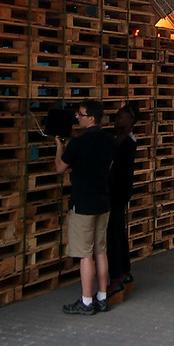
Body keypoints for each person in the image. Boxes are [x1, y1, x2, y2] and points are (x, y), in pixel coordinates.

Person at [55, 99, 116, 315]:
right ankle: (101, 296)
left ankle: (87, 301)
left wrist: (59, 146)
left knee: (84, 254)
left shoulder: (77, 143)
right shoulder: (110, 141)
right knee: (101, 251)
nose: (77, 118)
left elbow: (60, 167)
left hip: (82, 203)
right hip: (103, 201)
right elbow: (109, 166)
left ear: (91, 118)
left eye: (80, 114)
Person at [108, 102, 139, 300]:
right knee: (118, 232)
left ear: (131, 121)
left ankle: (117, 277)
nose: (117, 118)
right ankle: (124, 272)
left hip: (116, 191)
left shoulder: (125, 142)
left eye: (121, 116)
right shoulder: (122, 139)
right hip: (119, 191)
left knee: (112, 235)